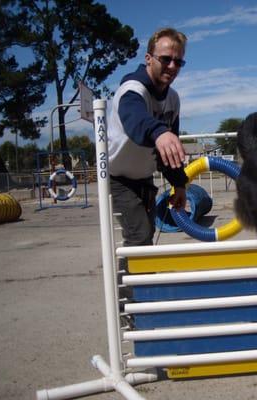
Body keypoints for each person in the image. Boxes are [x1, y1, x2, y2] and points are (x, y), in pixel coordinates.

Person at [107, 27, 188, 291]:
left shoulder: (173, 100)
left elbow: (170, 153)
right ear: (148, 58)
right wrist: (159, 132)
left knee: (146, 235)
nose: (173, 66)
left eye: (179, 61)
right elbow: (135, 122)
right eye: (166, 59)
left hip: (144, 177)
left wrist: (179, 184)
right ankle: (131, 301)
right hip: (118, 178)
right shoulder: (132, 90)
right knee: (139, 236)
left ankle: (142, 290)